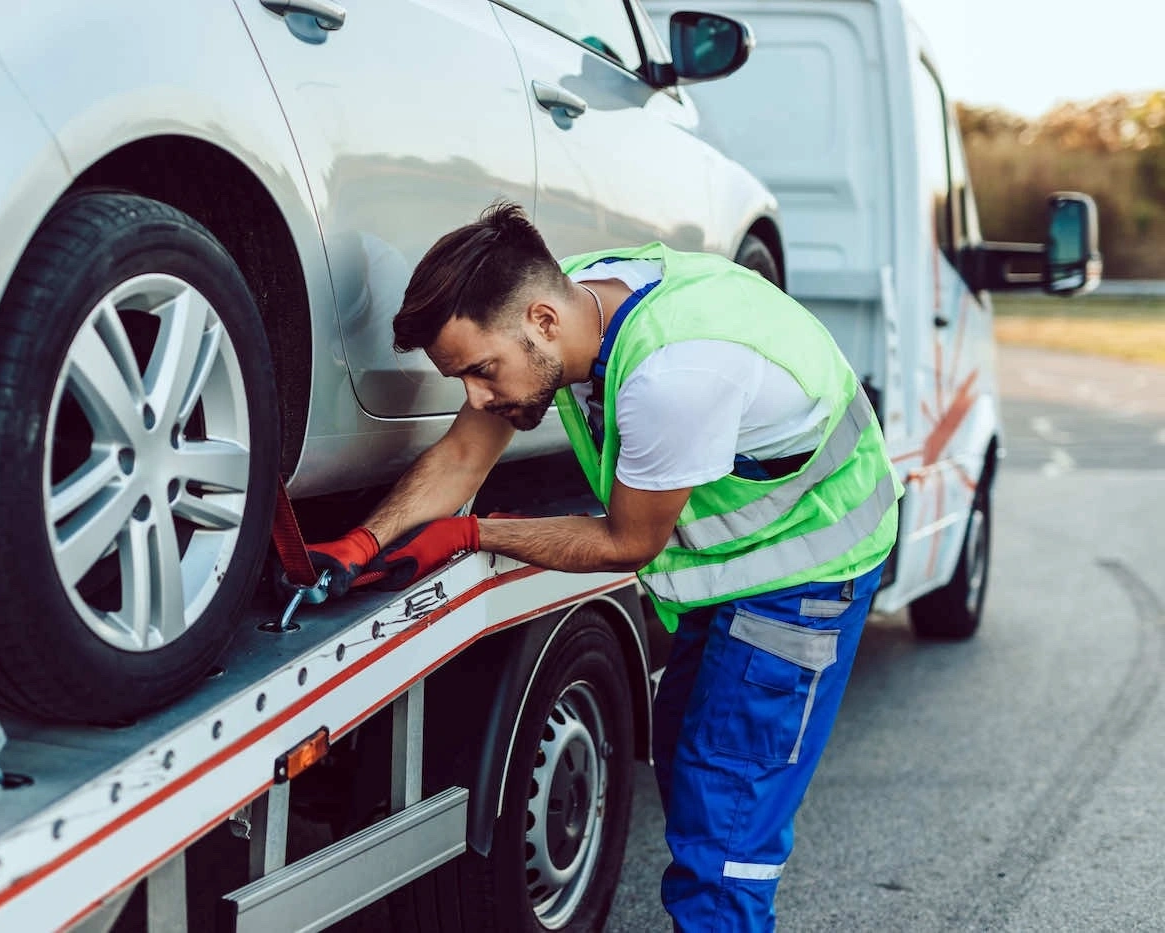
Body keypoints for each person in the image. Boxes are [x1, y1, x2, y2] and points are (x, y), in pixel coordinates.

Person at [306, 201, 901, 931]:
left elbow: (627, 542)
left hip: (808, 568)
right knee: (691, 761)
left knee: (724, 838)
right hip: (738, 566)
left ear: (541, 322)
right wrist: (361, 544)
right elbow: (463, 456)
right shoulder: (579, 298)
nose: (479, 398)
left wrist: (472, 534)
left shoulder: (671, 375)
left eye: (482, 372)